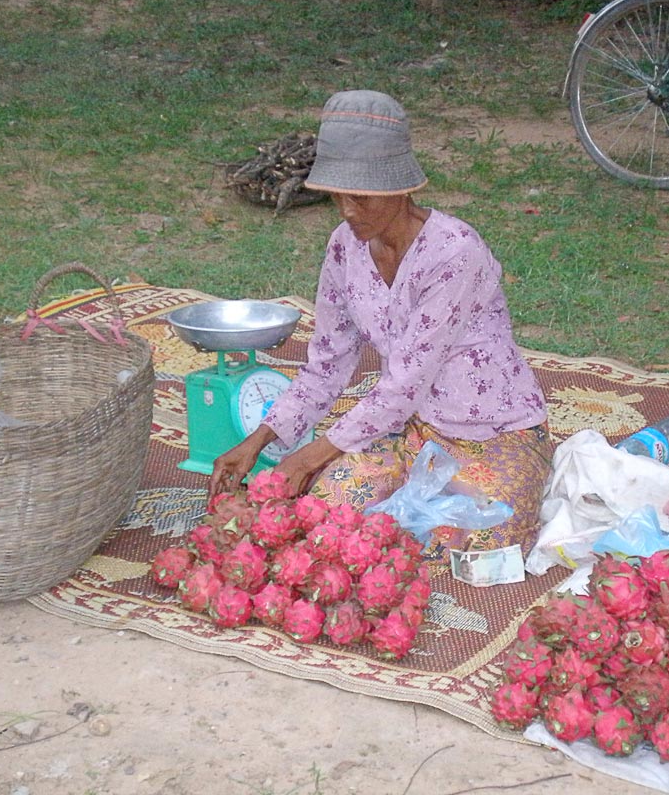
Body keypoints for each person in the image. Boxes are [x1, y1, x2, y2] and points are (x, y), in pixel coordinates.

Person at [209, 89, 552, 564]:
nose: (349, 211)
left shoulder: (456, 253)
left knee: (482, 532)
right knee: (325, 512)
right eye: (338, 197)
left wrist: (309, 456)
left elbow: (404, 383)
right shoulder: (344, 247)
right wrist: (261, 438)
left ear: (399, 189)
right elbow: (326, 364)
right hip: (411, 432)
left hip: (495, 435)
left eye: (362, 198)